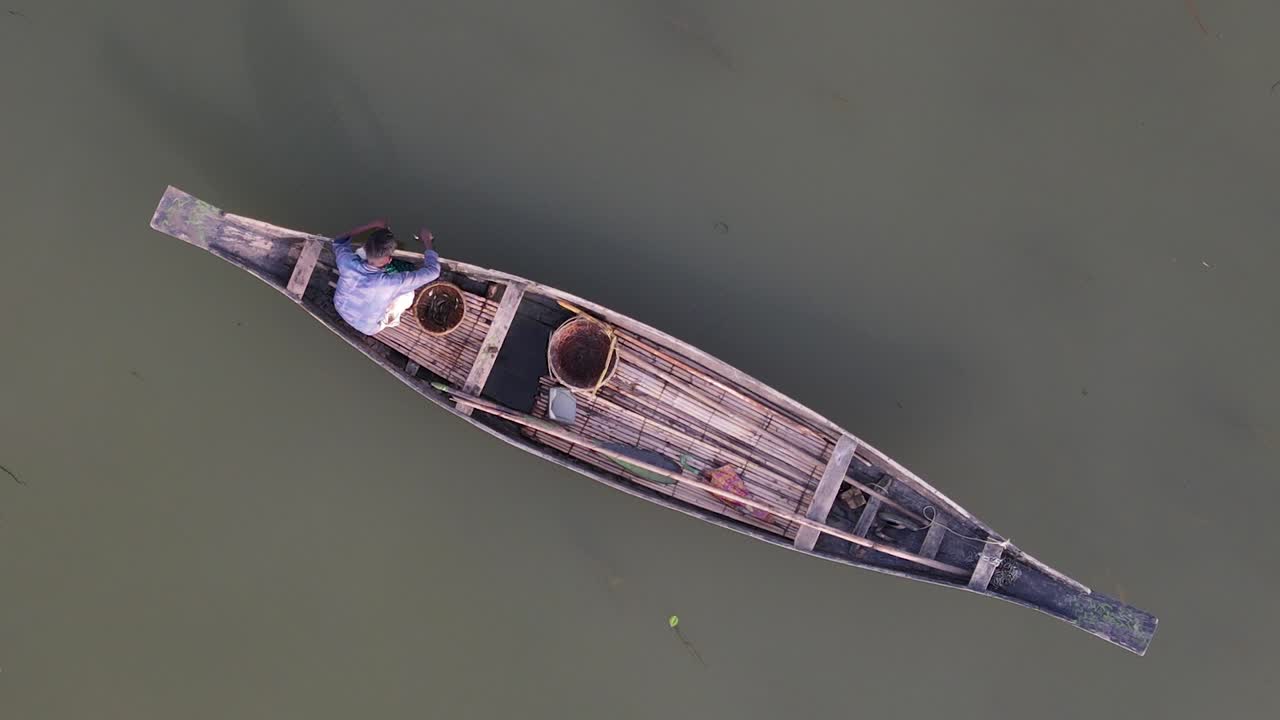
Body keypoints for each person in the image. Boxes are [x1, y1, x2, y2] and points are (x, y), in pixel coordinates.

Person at [331, 219, 441, 335]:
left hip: (340, 306)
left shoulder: (346, 262)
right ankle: (391, 321)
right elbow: (433, 271)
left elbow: (339, 240)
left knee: (359, 254)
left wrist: (372, 225)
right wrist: (427, 240)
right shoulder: (392, 284)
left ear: (367, 247)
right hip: (367, 327)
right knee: (408, 295)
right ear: (389, 260)